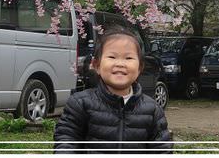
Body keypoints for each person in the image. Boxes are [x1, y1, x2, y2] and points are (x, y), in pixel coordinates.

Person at [54, 25, 172, 153]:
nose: (120, 64)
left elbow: (162, 149)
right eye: (112, 57)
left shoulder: (152, 109)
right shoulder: (80, 103)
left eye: (128, 58)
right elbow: (66, 141)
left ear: (139, 68)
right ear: (96, 65)